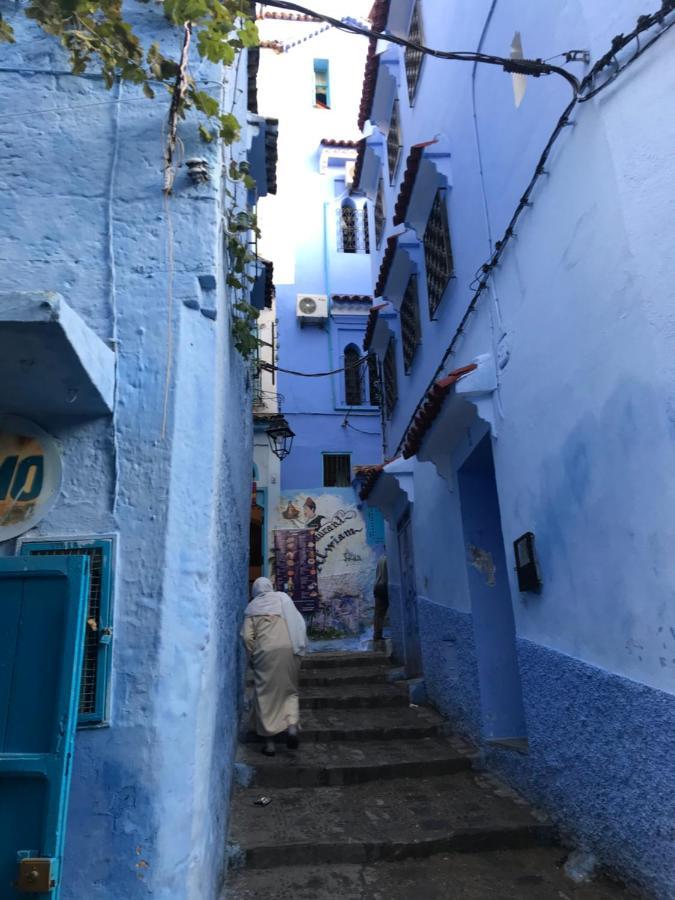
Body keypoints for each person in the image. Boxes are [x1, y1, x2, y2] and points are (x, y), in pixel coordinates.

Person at [242, 577, 307, 756]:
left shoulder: (253, 608)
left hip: (266, 653)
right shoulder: (283, 599)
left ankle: (269, 744)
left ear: (255, 590)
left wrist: (252, 656)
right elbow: (299, 623)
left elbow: (247, 637)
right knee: (289, 691)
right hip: (290, 650)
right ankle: (292, 727)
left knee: (265, 694)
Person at [373, 554, 388, 643]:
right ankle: (378, 636)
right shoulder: (388, 560)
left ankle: (377, 635)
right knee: (381, 613)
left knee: (378, 614)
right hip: (384, 586)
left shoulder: (381, 558)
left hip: (377, 586)